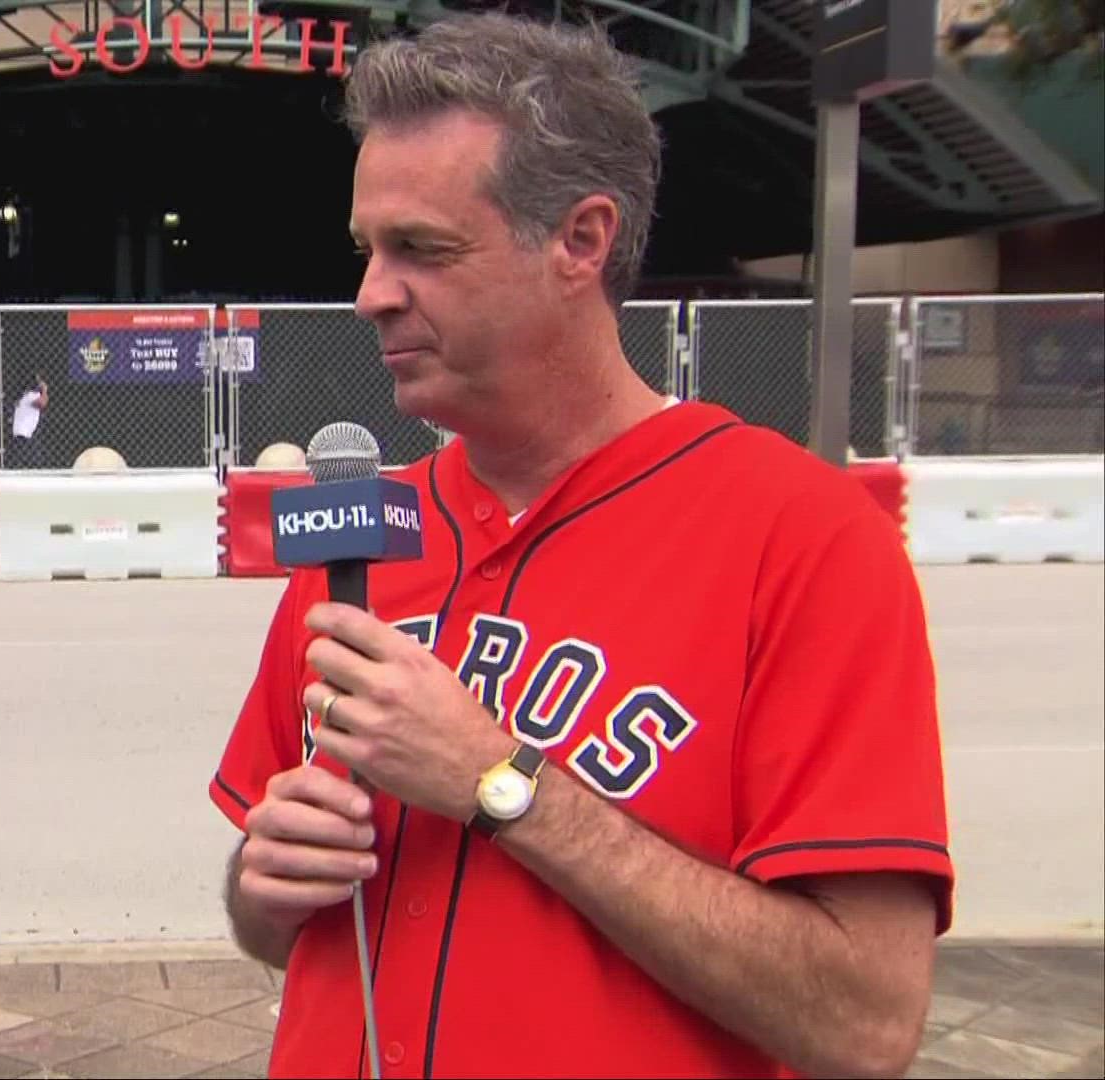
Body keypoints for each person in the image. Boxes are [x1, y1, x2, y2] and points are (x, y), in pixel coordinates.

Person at [208, 14, 951, 1080]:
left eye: (421, 248)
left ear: (581, 241)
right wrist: (263, 882)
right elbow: (265, 924)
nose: (372, 293)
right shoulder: (357, 543)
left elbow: (864, 1025)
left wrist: (503, 782)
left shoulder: (804, 541)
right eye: (368, 250)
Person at [7, 374, 48, 469]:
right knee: (32, 461)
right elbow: (43, 403)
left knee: (26, 459)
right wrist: (45, 390)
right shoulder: (31, 395)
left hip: (23, 433)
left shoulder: (25, 395)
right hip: (23, 434)